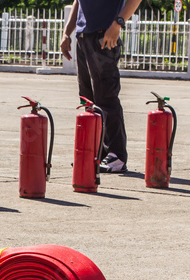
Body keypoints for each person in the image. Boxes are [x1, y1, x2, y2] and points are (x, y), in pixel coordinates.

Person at [60, 0, 142, 173]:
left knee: (106, 98)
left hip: (104, 36)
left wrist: (118, 24)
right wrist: (67, 32)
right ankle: (97, 151)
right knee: (88, 100)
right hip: (83, 36)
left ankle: (117, 156)